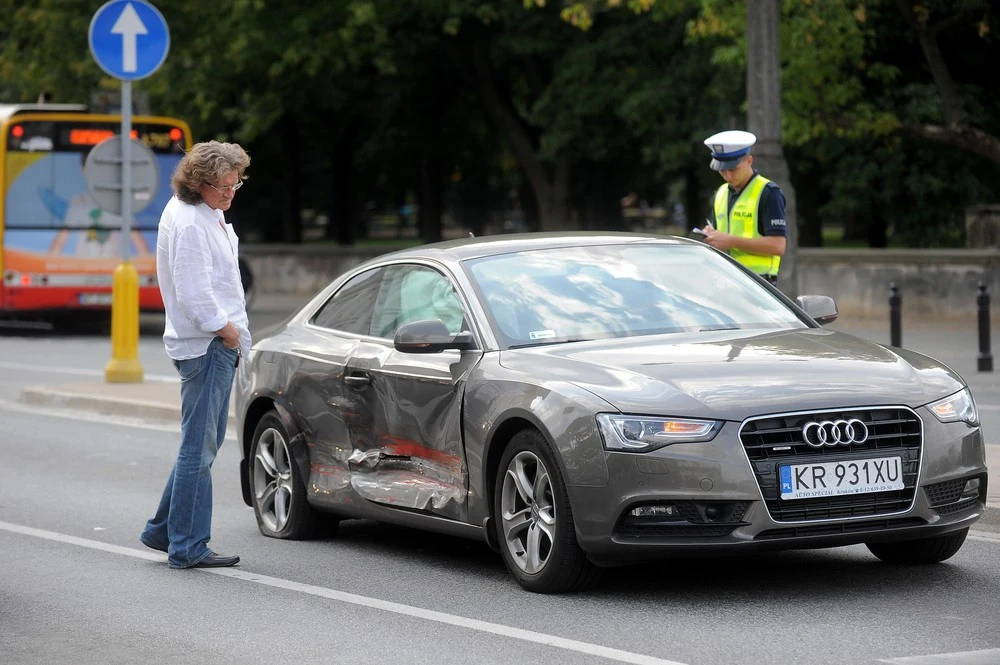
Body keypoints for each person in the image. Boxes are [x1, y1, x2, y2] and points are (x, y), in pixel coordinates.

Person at [140, 141, 252, 569]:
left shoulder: (204, 212)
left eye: (236, 182)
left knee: (198, 445)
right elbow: (195, 296)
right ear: (200, 183)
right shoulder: (190, 222)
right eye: (224, 185)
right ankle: (187, 546)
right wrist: (227, 335)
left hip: (207, 343)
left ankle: (161, 530)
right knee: (199, 450)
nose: (231, 192)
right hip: (206, 345)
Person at [698, 130, 786, 284]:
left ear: (749, 161)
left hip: (760, 285)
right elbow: (723, 237)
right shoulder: (721, 193)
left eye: (732, 169)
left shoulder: (769, 193)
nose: (728, 176)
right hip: (725, 281)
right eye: (722, 170)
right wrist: (711, 236)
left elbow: (778, 246)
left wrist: (730, 241)